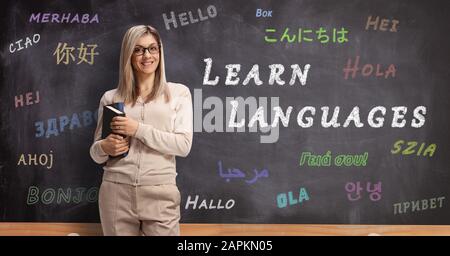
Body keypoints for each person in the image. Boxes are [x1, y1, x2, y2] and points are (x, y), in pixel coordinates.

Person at [89, 25, 193, 236]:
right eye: (139, 49)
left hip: (160, 193)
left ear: (160, 52)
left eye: (153, 48)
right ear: (129, 54)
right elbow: (96, 154)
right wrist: (104, 146)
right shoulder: (111, 98)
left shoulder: (178, 93)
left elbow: (183, 146)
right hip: (116, 193)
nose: (147, 55)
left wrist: (137, 129)